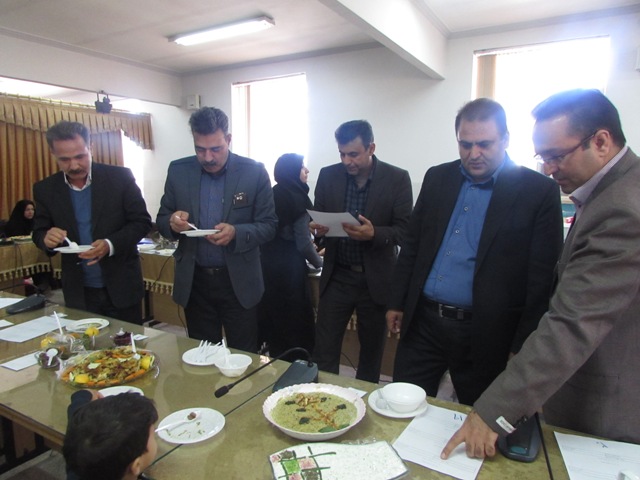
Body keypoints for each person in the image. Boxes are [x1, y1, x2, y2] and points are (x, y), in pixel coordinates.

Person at [441, 89, 640, 459]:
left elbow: (572, 323)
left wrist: (492, 411)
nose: (548, 168)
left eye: (556, 156)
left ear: (600, 142)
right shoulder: (609, 192)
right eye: (542, 157)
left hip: (610, 404)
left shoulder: (623, 208)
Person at [386, 98, 563, 405]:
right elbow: (413, 245)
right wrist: (397, 302)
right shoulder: (438, 178)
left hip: (486, 330)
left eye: (484, 144)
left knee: (478, 415)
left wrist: (523, 342)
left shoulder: (537, 191)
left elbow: (541, 279)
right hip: (424, 323)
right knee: (404, 403)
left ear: (505, 139)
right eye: (465, 144)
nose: (474, 154)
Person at [156, 106, 277, 352]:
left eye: (216, 149)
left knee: (243, 355)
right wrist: (172, 222)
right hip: (196, 281)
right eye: (200, 149)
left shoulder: (253, 172)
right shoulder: (179, 171)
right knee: (202, 355)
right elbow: (161, 219)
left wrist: (237, 233)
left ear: (228, 139)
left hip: (239, 282)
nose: (208, 157)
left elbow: (269, 225)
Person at [311, 120, 412, 383]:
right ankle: (323, 396)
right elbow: (317, 218)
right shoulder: (328, 175)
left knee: (371, 353)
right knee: (324, 349)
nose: (347, 161)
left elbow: (405, 231)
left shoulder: (397, 179)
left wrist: (374, 233)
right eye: (342, 154)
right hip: (337, 276)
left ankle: (365, 401)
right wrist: (318, 229)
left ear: (371, 148)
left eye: (354, 154)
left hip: (375, 280)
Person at [32, 121, 152, 324]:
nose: (74, 166)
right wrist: (46, 238)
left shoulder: (120, 178)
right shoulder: (45, 189)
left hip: (121, 285)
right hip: (78, 290)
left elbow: (141, 222)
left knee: (128, 341)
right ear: (53, 154)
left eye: (80, 156)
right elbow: (39, 231)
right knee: (86, 341)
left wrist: (110, 244)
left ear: (91, 147)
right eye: (64, 160)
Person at [258, 153, 323, 360]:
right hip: (290, 271)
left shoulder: (272, 193)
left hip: (267, 266)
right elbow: (303, 243)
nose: (307, 171)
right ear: (293, 171)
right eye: (303, 167)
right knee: (295, 324)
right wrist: (320, 263)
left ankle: (278, 363)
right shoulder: (297, 197)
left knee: (276, 321)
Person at [63, 390, 158, 480]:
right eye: (153, 433)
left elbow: (77, 417)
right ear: (136, 465)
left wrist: (83, 395)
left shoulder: (79, 461)